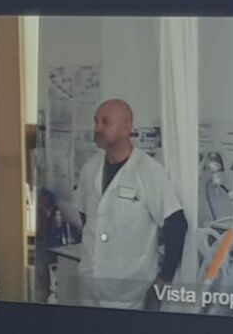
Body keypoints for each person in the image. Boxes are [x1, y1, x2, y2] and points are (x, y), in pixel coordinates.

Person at [72, 99, 187, 310]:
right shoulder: (90, 169)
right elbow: (87, 217)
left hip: (129, 292)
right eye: (96, 121)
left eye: (105, 122)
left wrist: (164, 279)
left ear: (126, 128)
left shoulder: (149, 172)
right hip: (90, 285)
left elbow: (177, 225)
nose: (97, 128)